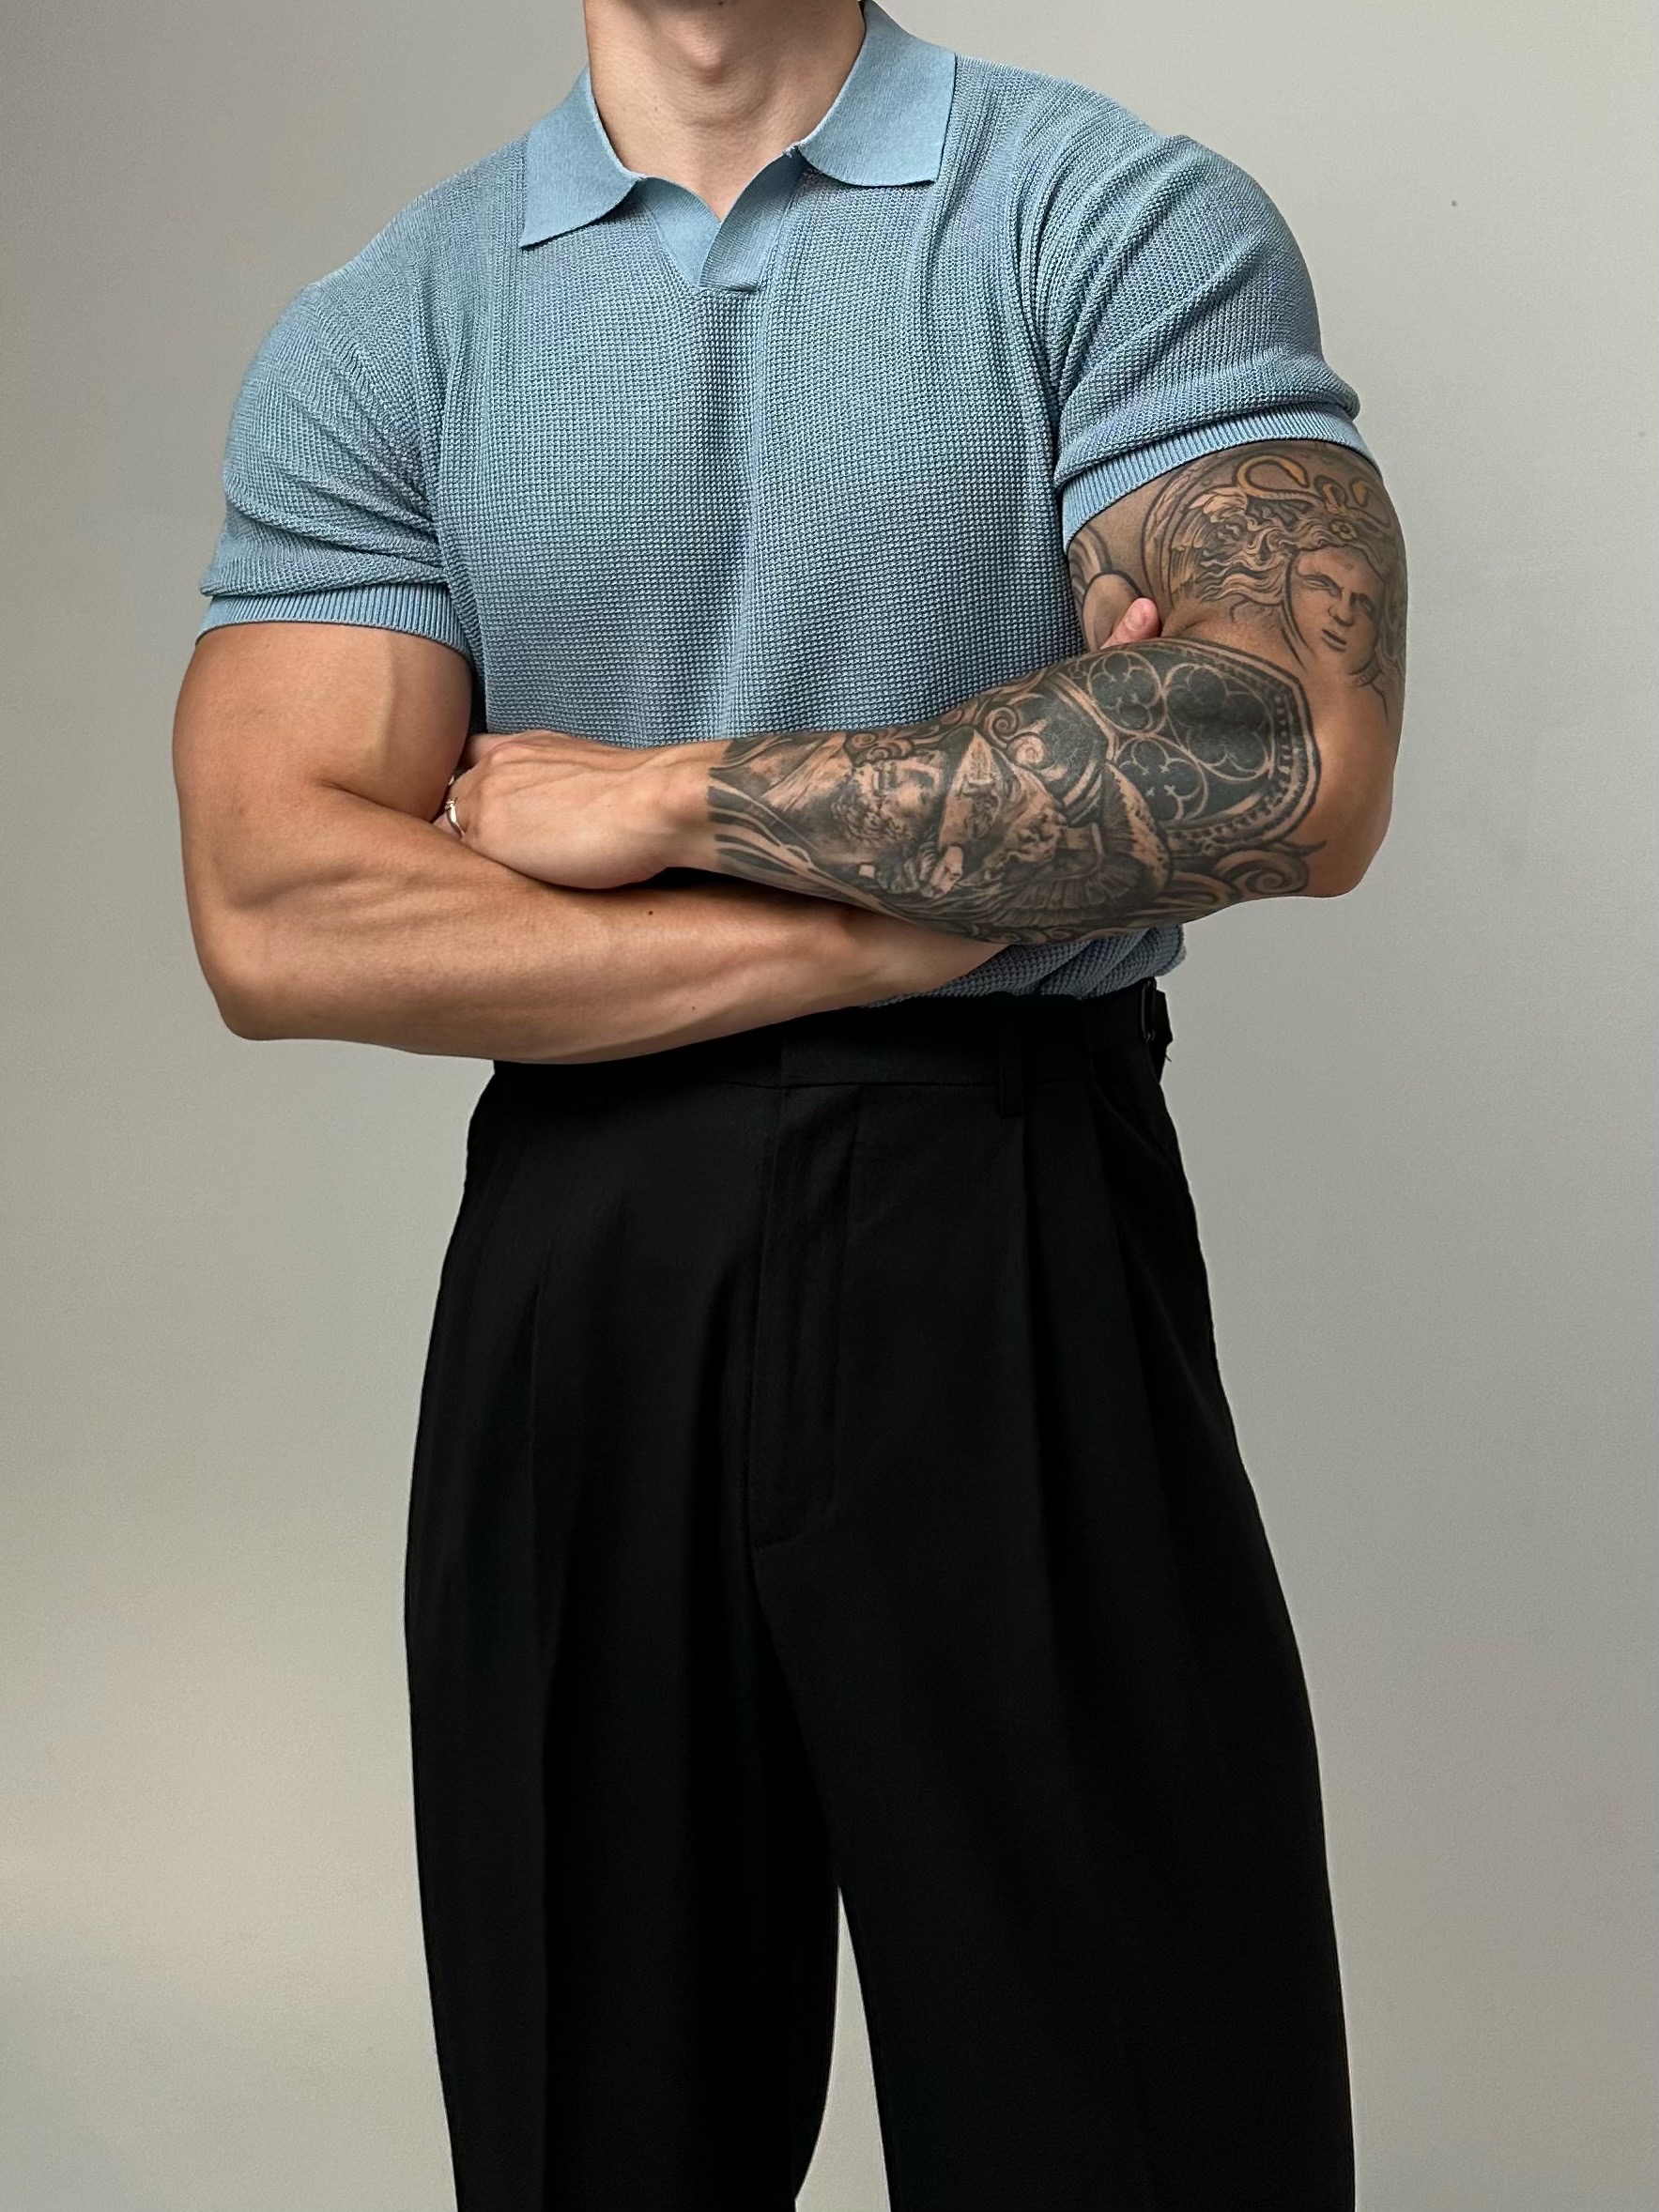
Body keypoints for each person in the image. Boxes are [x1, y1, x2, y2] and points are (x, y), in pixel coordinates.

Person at [172, 2, 1406, 2205]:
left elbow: (1279, 755)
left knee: (1136, 2120)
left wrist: (672, 797)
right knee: (596, 2131)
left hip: (1007, 1208)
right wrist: (896, 917)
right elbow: (281, 906)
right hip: (588, 1239)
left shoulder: (1102, 215)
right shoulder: (394, 321)